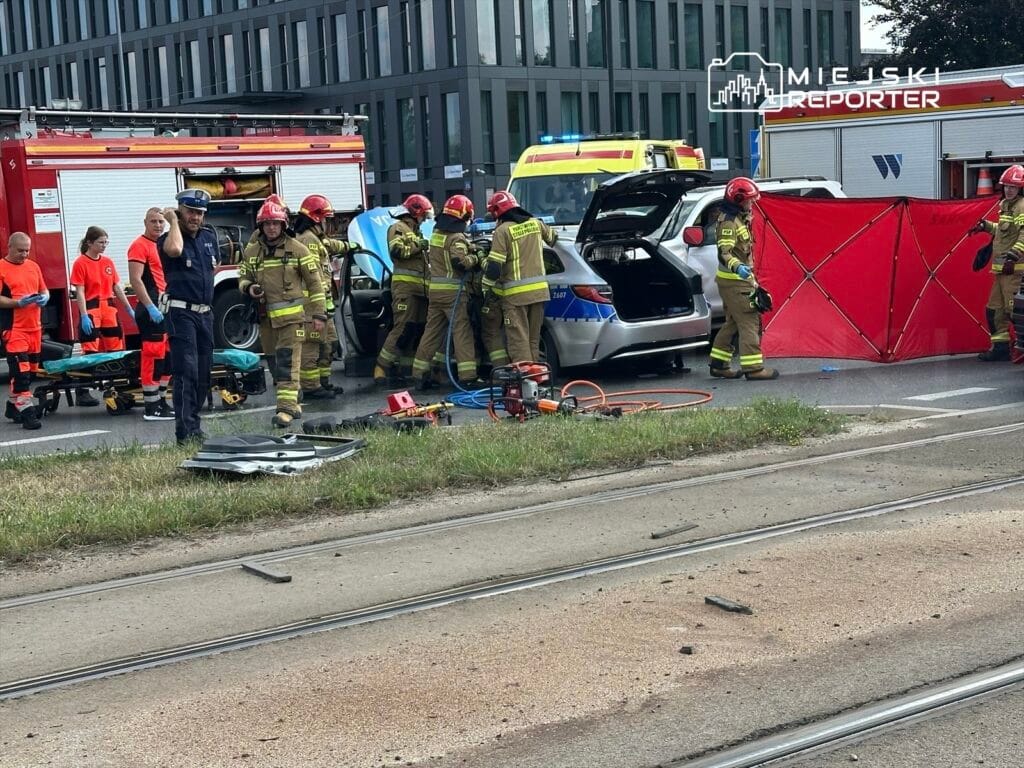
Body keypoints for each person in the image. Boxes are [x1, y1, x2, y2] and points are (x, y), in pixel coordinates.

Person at [239, 194, 327, 428]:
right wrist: (249, 288)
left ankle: (285, 411)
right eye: (267, 223)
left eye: (275, 223)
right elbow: (243, 277)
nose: (271, 228)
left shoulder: (297, 249)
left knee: (287, 362)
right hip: (266, 319)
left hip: (293, 320)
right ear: (261, 226)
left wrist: (318, 315)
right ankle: (294, 401)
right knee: (275, 365)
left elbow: (315, 284)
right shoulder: (251, 253)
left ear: (283, 224)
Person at [158, 188, 217, 445]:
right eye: (190, 212)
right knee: (187, 372)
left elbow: (213, 267)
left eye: (199, 213)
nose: (195, 217)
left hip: (205, 314)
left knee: (204, 372)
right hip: (181, 313)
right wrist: (172, 222)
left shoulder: (208, 236)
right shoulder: (169, 237)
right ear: (180, 211)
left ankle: (195, 423)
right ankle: (186, 431)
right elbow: (173, 251)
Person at [707, 176, 779, 381]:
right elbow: (725, 252)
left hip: (733, 281)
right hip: (735, 281)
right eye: (748, 200)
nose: (751, 203)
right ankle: (754, 368)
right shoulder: (729, 223)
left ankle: (719, 364)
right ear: (737, 200)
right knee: (750, 321)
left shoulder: (739, 217)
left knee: (733, 322)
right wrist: (739, 268)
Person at [411, 194, 482, 389]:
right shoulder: (457, 237)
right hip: (453, 294)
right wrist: (475, 259)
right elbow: (459, 261)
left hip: (435, 293)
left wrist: (470, 247)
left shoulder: (437, 235)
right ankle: (468, 377)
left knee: (431, 333)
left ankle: (419, 373)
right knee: (462, 333)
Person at [293, 194, 360, 398]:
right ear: (316, 219)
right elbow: (314, 276)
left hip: (322, 306)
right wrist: (320, 308)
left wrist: (350, 247)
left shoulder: (316, 239)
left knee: (328, 345)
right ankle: (311, 387)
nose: (327, 223)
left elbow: (331, 245)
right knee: (312, 346)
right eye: (325, 219)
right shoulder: (308, 241)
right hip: (312, 307)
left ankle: (323, 382)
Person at [481, 190, 557, 364]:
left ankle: (526, 381)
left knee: (518, 340)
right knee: (532, 339)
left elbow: (494, 268)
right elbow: (554, 239)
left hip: (516, 297)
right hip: (539, 293)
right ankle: (537, 378)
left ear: (497, 212)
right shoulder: (535, 223)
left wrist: (485, 285)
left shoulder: (503, 231)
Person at [372, 194, 433, 386]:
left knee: (414, 331)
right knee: (401, 329)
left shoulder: (415, 231)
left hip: (420, 292)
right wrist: (418, 245)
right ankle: (381, 368)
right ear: (416, 213)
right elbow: (397, 251)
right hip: (405, 290)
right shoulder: (398, 228)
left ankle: (402, 369)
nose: (424, 220)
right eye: (423, 215)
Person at [70, 226, 134, 406]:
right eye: (100, 242)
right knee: (90, 351)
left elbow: (116, 288)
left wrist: (129, 309)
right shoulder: (81, 263)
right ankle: (83, 391)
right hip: (91, 308)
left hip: (109, 309)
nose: (104, 245)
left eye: (106, 242)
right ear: (89, 243)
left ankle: (118, 388)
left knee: (116, 351)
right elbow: (80, 292)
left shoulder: (107, 262)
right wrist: (83, 316)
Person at [973, 164, 1024, 361]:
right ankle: (1000, 348)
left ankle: (1020, 349)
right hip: (1000, 271)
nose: (1008, 190)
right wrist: (986, 226)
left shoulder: (1021, 206)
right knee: (994, 310)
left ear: (1020, 188)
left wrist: (1014, 254)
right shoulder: (1004, 206)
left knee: (1015, 313)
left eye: (1013, 186)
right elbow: (1003, 232)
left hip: (1014, 272)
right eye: (1006, 186)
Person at [127, 207, 174, 420]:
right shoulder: (139, 246)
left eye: (161, 222)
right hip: (150, 308)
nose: (158, 225)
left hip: (164, 305)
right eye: (153, 221)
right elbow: (136, 280)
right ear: (145, 222)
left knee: (167, 357)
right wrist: (149, 306)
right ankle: (151, 406)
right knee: (153, 357)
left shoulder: (162, 244)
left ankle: (161, 401)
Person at [0, 232, 48, 430]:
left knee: (33, 371)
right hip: (14, 329)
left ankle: (12, 407)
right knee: (21, 373)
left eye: (27, 250)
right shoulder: (1, 268)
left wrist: (45, 297)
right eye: (20, 251)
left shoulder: (33, 266)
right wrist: (17, 303)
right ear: (9, 247)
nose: (24, 254)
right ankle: (28, 413)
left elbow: (44, 289)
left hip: (34, 328)